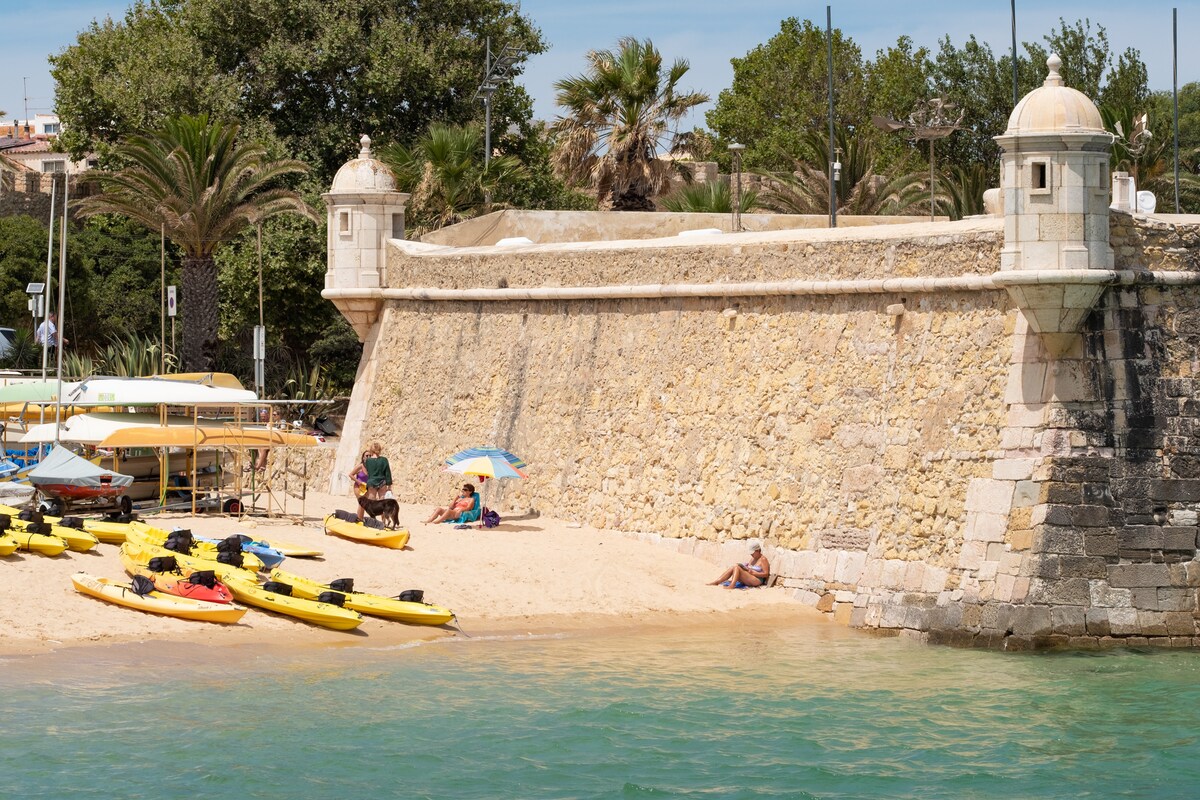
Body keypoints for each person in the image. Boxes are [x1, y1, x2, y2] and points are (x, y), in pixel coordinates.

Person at [354, 442, 392, 522]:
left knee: (372, 504)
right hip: (382, 483)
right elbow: (388, 473)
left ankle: (373, 522)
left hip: (372, 483)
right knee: (383, 504)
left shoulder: (368, 461)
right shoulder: (384, 460)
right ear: (380, 450)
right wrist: (389, 486)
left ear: (371, 450)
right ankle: (383, 523)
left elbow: (365, 471)